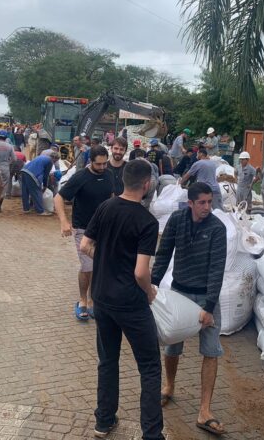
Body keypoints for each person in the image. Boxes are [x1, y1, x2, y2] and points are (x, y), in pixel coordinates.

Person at [80, 160, 164, 440]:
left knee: (107, 360)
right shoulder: (147, 222)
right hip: (131, 302)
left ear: (124, 181)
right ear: (147, 185)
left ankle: (103, 421)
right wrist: (150, 291)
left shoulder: (106, 207)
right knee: (150, 367)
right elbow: (141, 272)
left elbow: (85, 245)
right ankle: (152, 433)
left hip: (101, 298)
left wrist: (107, 260)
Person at [151, 182, 227, 436]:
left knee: (211, 350)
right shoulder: (177, 219)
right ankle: (169, 387)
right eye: (202, 202)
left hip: (207, 296)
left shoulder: (217, 228)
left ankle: (205, 410)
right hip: (180, 292)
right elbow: (163, 254)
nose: (208, 207)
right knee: (173, 345)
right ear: (191, 203)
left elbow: (217, 269)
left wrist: (209, 308)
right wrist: (151, 286)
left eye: (210, 201)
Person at [54, 145, 115, 321]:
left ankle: (93, 300)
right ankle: (82, 301)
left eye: (105, 164)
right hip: (83, 229)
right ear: (90, 161)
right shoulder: (80, 177)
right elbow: (59, 198)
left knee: (98, 266)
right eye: (99, 164)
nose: (103, 167)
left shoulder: (109, 175)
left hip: (104, 229)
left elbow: (111, 198)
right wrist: (64, 221)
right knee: (88, 266)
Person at [20, 151, 57, 216]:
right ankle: (40, 211)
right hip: (32, 174)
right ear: (54, 158)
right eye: (56, 161)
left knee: (25, 191)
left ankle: (26, 209)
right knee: (37, 192)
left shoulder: (41, 156)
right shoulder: (50, 162)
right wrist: (45, 185)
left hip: (24, 171)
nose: (55, 162)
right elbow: (46, 175)